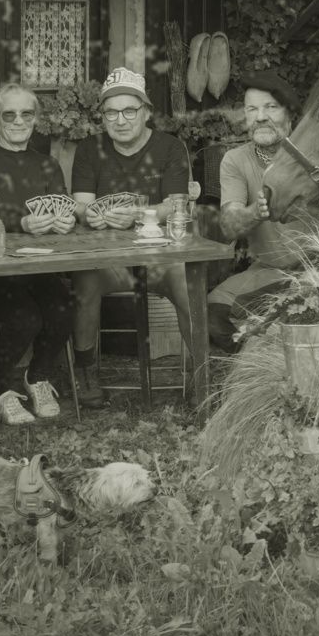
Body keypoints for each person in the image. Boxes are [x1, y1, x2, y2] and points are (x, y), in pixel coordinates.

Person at [68, 66, 193, 407]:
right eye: (111, 112)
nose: (120, 120)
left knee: (185, 278)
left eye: (129, 110)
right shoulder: (90, 149)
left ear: (146, 112)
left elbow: (175, 203)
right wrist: (92, 213)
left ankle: (198, 371)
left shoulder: (170, 148)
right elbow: (80, 205)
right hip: (107, 261)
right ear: (102, 116)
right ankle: (86, 370)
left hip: (158, 258)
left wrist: (140, 215)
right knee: (85, 281)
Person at [210, 70, 319, 350]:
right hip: (268, 272)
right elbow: (230, 225)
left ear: (291, 114)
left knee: (307, 313)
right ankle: (260, 367)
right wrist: (258, 210)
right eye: (251, 109)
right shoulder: (234, 161)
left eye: (270, 107)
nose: (260, 117)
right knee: (213, 316)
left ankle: (285, 365)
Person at [0, 82, 80, 424]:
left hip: (41, 264)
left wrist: (63, 222)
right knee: (24, 318)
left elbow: (63, 206)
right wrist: (23, 222)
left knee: (64, 309)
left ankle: (38, 377)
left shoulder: (47, 165)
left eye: (26, 113)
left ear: (35, 118)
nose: (17, 121)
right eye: (8, 114)